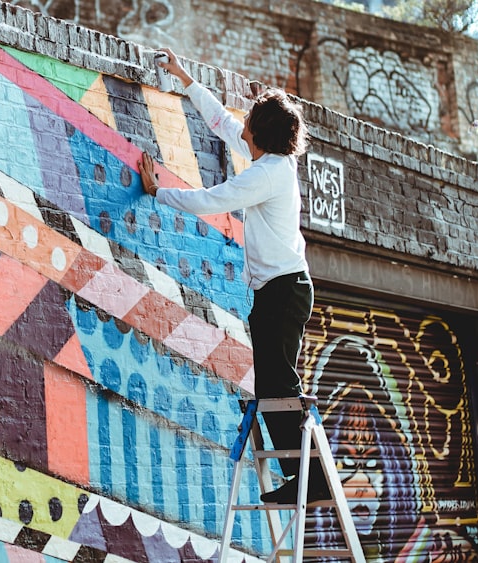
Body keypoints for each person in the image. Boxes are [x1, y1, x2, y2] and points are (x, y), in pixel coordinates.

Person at [138, 48, 328, 504]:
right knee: (276, 386)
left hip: (283, 291)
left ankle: (308, 478)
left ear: (259, 133)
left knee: (278, 387)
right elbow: (223, 123)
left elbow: (210, 200)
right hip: (282, 289)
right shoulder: (273, 163)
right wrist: (185, 78)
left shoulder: (267, 174)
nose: (241, 124)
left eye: (250, 122)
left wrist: (158, 193)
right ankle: (303, 477)